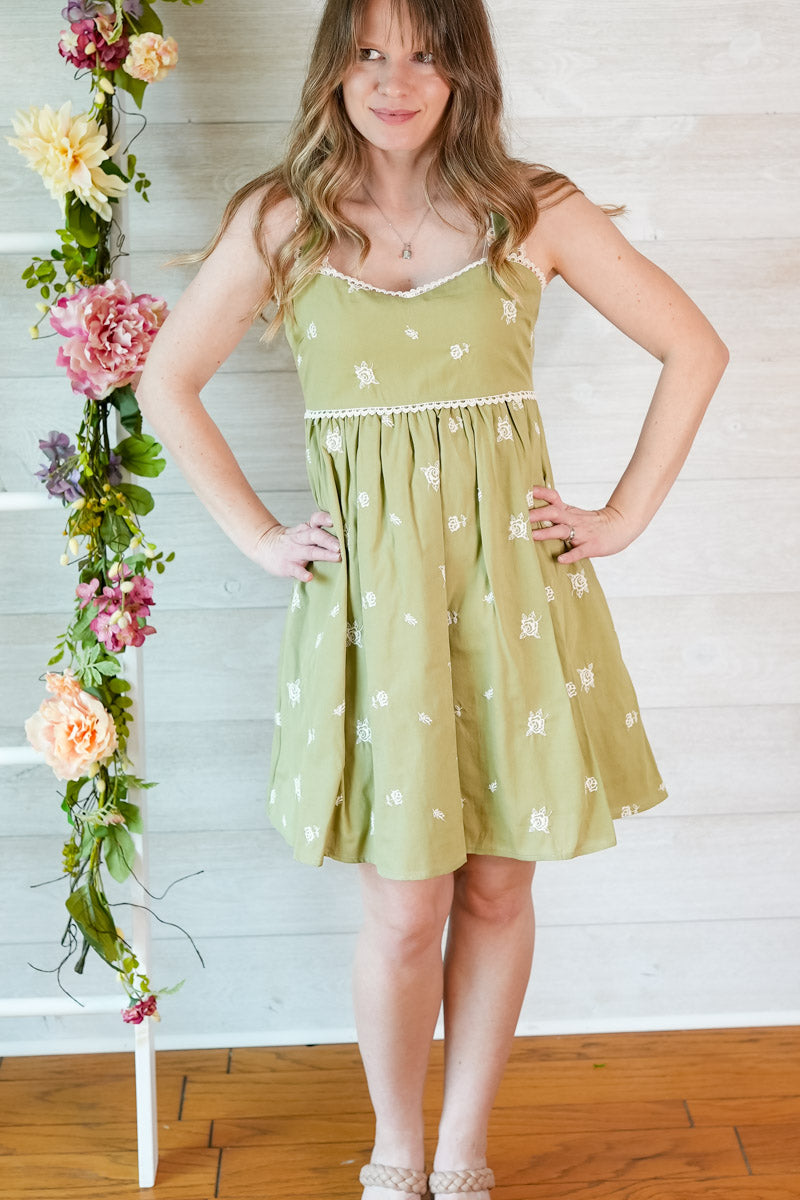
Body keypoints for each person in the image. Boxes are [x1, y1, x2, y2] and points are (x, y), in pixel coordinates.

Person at [136, 0, 729, 1195]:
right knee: (406, 907)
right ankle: (393, 1151)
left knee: (498, 886)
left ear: (463, 71)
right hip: (373, 616)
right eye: (368, 52)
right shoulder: (283, 221)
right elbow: (166, 382)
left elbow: (694, 348)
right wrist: (259, 536)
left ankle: (461, 1153)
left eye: (423, 53)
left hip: (514, 602)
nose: (393, 80)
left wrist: (620, 517)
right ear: (335, 68)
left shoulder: (529, 211)